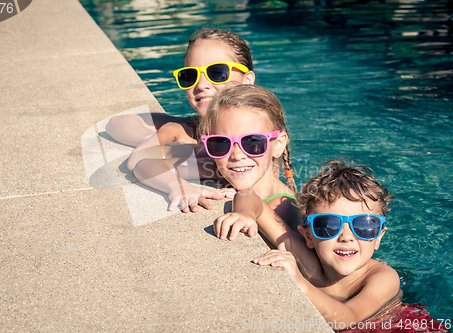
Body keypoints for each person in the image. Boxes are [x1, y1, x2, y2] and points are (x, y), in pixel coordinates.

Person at [246, 160, 447, 331]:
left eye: (364, 225)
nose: (346, 236)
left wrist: (300, 283)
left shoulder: (383, 277)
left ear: (378, 237)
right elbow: (248, 197)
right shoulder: (310, 264)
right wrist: (245, 214)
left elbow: (347, 318)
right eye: (327, 225)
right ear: (308, 236)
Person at [116, 27, 256, 213]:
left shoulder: (260, 130)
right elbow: (127, 145)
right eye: (190, 76)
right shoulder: (183, 130)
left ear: (247, 80)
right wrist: (177, 181)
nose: (201, 85)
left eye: (217, 72)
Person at [198, 84, 302, 242]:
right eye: (220, 143)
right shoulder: (220, 171)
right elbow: (151, 164)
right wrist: (176, 187)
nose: (237, 155)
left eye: (253, 142)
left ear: (278, 145)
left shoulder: (283, 208)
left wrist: (244, 209)